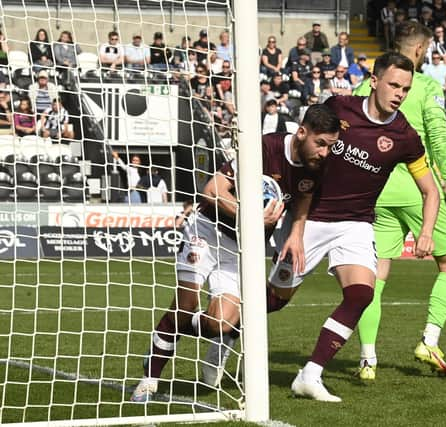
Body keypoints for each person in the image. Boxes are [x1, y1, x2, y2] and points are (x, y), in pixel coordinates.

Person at [129, 104, 340, 402]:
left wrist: (296, 233)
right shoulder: (265, 147)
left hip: (243, 248)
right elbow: (212, 190)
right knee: (186, 305)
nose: (324, 152)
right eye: (320, 144)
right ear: (302, 132)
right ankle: (149, 378)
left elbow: (304, 194)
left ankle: (214, 337)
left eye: (330, 146)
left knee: (221, 324)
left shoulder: (316, 165)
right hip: (206, 231)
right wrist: (250, 214)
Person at [264, 52, 440, 403]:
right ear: (374, 81)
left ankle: (310, 374)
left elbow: (429, 190)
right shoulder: (339, 107)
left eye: (405, 88)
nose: (399, 93)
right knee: (273, 302)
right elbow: (303, 145)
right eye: (393, 84)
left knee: (361, 294)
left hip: (356, 223)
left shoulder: (404, 135)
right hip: (309, 217)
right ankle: (223, 336)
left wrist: (426, 232)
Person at [352, 23, 446, 379]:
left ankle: (368, 358)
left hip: (375, 190)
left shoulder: (365, 84)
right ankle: (429, 339)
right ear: (420, 50)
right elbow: (439, 136)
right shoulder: (426, 85)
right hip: (418, 188)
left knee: (376, 276)